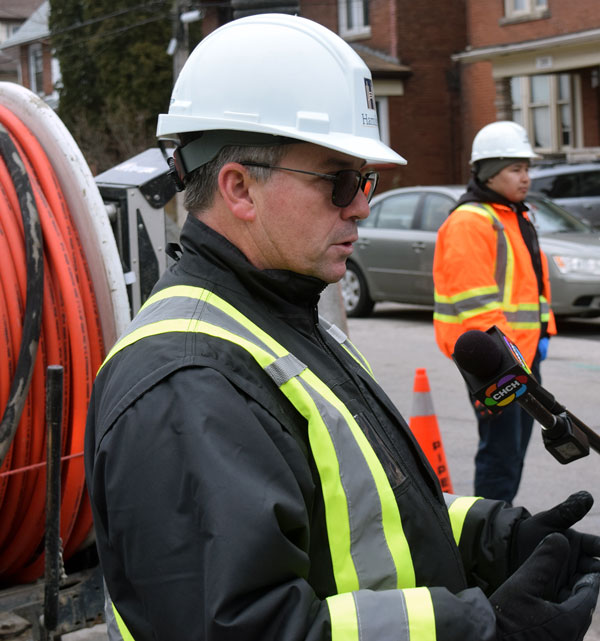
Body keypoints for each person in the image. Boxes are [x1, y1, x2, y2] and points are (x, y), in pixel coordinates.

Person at [84, 16, 600, 641]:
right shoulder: (186, 387)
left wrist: (498, 538)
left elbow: (366, 518)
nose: (361, 203)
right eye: (341, 180)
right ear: (239, 187)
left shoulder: (285, 322)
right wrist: (484, 629)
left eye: (367, 180)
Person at [433, 120, 556, 505]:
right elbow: (476, 305)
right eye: (515, 169)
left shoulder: (511, 215)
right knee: (500, 454)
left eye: (527, 168)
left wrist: (544, 334)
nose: (526, 178)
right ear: (488, 173)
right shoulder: (471, 222)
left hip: (521, 355)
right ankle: (489, 541)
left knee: (514, 449)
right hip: (496, 362)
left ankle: (500, 530)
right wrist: (508, 363)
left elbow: (528, 285)